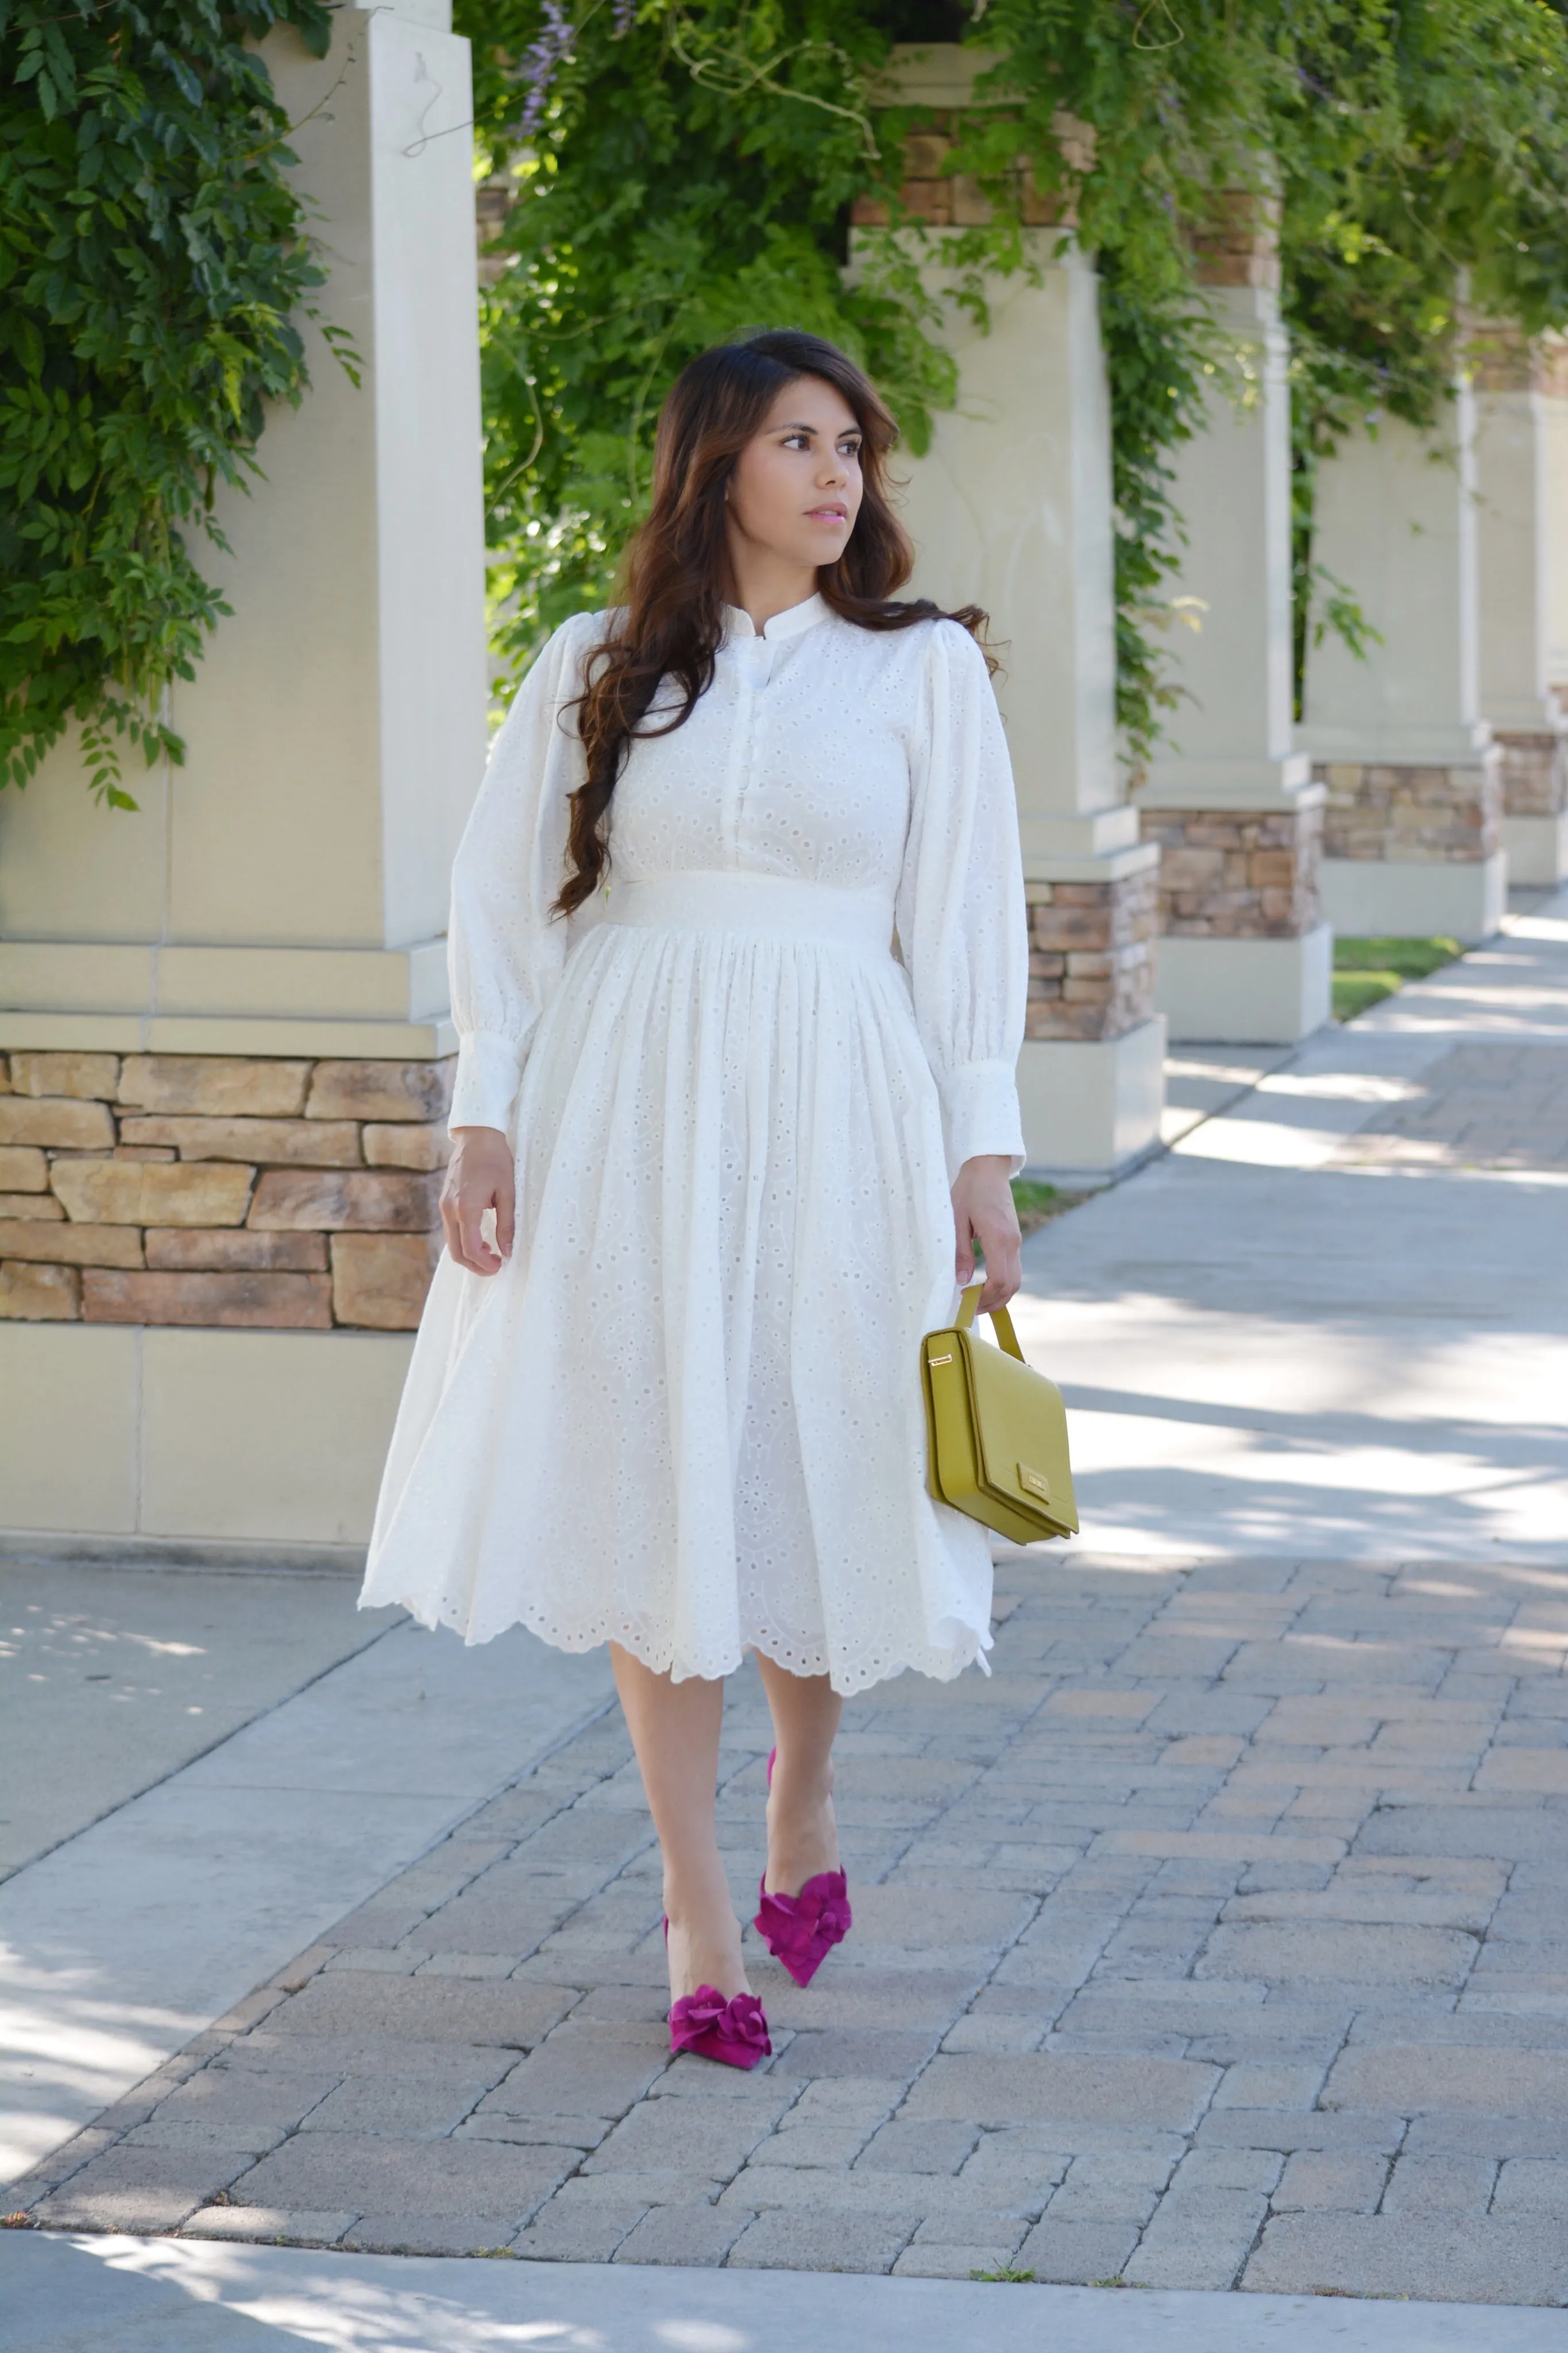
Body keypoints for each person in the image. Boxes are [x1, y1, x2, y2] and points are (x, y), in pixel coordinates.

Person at [360, 329, 1028, 2068]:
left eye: (853, 447)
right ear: (714, 463)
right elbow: (506, 903)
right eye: (798, 442)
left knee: (812, 1450)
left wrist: (983, 1148)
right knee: (660, 1472)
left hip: (841, 1102)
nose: (836, 475)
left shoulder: (919, 672)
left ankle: (805, 1791)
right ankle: (696, 1901)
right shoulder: (595, 662)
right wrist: (483, 1118)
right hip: (629, 1101)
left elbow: (962, 920)